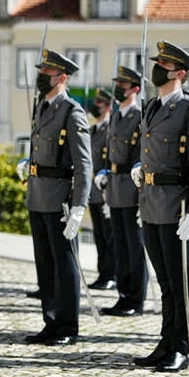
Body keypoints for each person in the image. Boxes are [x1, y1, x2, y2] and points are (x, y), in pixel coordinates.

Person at [130, 41, 189, 372]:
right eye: (158, 62)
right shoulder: (151, 106)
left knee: (182, 283)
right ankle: (166, 343)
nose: (157, 67)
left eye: (164, 64)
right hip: (151, 205)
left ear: (180, 73)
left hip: (178, 207)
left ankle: (182, 346)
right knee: (165, 282)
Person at [16, 49, 92, 347]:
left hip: (60, 199)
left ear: (61, 77)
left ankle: (68, 325)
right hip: (37, 195)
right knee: (45, 264)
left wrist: (78, 208)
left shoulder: (72, 111)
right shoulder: (42, 108)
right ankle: (50, 320)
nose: (40, 77)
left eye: (46, 73)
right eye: (41, 71)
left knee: (64, 264)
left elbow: (84, 164)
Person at [100, 66, 147, 316]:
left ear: (135, 89)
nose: (118, 88)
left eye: (123, 85)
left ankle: (136, 298)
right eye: (117, 83)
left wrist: (142, 196)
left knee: (134, 246)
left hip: (132, 186)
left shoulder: (140, 115)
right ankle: (123, 294)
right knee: (119, 244)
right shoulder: (117, 116)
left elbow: (141, 156)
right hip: (116, 185)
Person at [86, 89, 116, 290]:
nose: (96, 105)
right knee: (99, 236)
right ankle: (102, 273)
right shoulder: (92, 131)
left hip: (107, 192)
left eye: (100, 103)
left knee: (110, 237)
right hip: (93, 192)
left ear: (108, 106)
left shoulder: (111, 130)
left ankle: (111, 274)